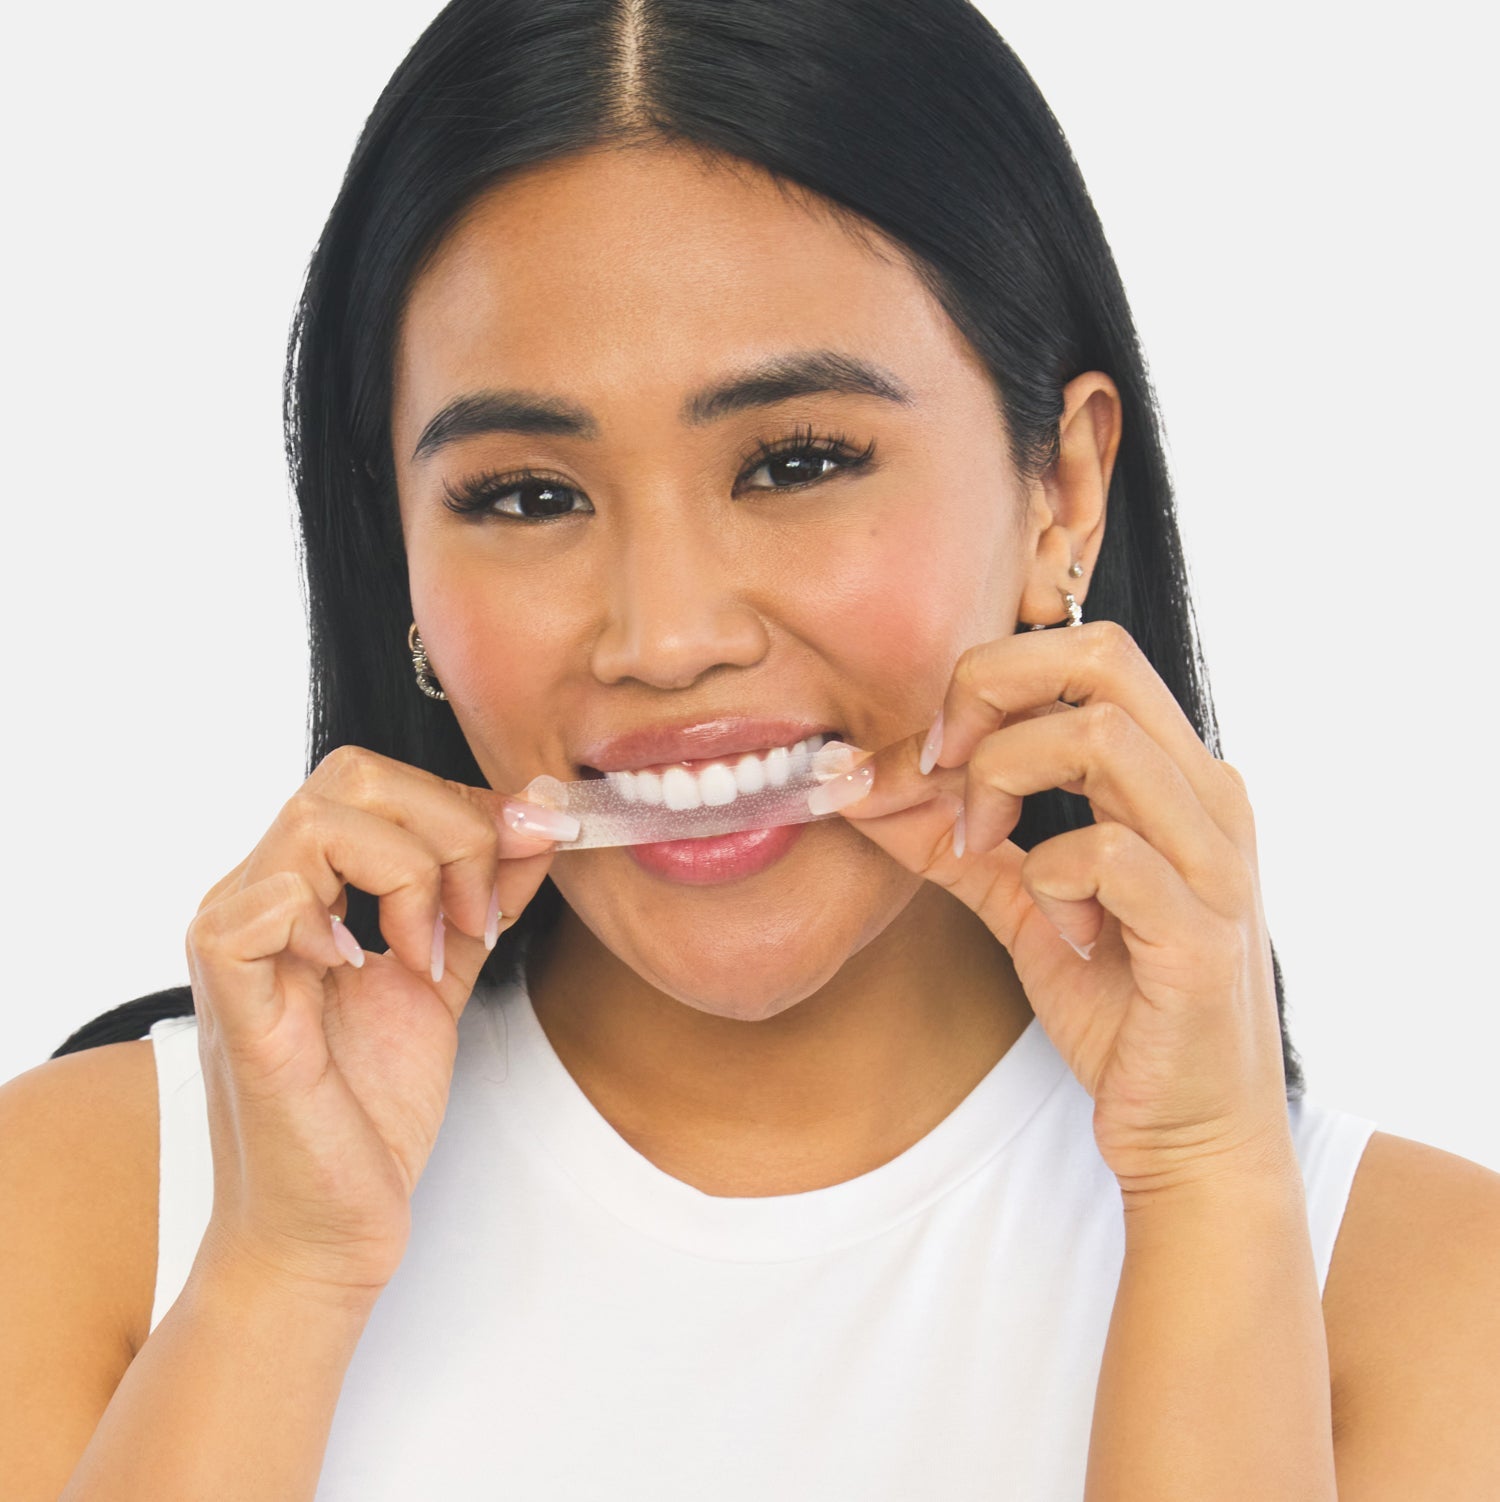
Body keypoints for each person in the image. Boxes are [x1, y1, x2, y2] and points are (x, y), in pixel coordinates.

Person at [5, 0, 1497, 1496]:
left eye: (797, 462)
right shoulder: (85, 1211)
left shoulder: (1426, 1303)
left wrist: (1208, 1189)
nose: (666, 637)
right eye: (527, 495)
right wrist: (279, 1277)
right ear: (400, 553)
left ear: (1063, 490)